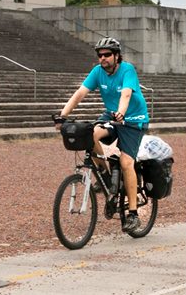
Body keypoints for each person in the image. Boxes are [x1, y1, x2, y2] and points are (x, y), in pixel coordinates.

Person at [56, 37, 150, 233]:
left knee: (126, 162)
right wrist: (62, 116)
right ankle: (106, 177)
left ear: (117, 56)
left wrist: (122, 113)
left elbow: (125, 94)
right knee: (89, 135)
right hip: (112, 115)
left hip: (133, 119)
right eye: (100, 55)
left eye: (107, 54)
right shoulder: (98, 72)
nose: (103, 58)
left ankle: (133, 214)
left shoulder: (127, 70)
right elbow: (80, 93)